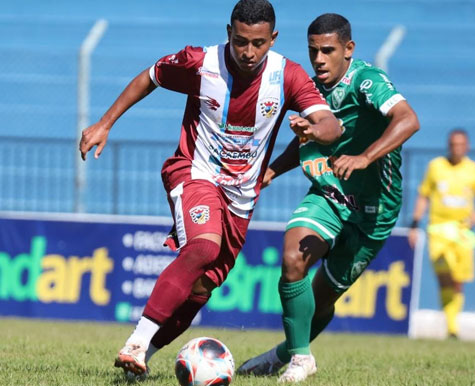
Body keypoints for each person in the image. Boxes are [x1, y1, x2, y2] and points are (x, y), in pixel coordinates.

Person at [78, 0, 342, 377]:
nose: (248, 52)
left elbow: (331, 125)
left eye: (258, 43)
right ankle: (135, 340)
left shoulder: (288, 75)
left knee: (200, 289)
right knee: (203, 246)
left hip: (241, 197)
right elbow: (150, 76)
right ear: (228, 33)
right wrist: (105, 123)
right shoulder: (201, 63)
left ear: (273, 39)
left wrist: (314, 130)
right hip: (194, 172)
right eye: (240, 42)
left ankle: (142, 357)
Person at [236, 13, 419, 382]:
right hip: (330, 192)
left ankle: (282, 354)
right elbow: (314, 134)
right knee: (292, 260)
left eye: (328, 51)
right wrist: (272, 169)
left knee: (319, 302)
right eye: (313, 51)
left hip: (374, 212)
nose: (319, 59)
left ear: (348, 49)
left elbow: (408, 119)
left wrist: (365, 157)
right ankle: (302, 359)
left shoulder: (368, 81)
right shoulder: (311, 87)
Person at [407, 129, 475, 339]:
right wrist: (415, 224)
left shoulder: (474, 169)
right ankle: (452, 327)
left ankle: (453, 322)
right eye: (453, 144)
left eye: (461, 144)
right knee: (444, 274)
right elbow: (423, 196)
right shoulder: (436, 166)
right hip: (439, 229)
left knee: (458, 280)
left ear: (467, 146)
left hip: (462, 231)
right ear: (448, 145)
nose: (457, 148)